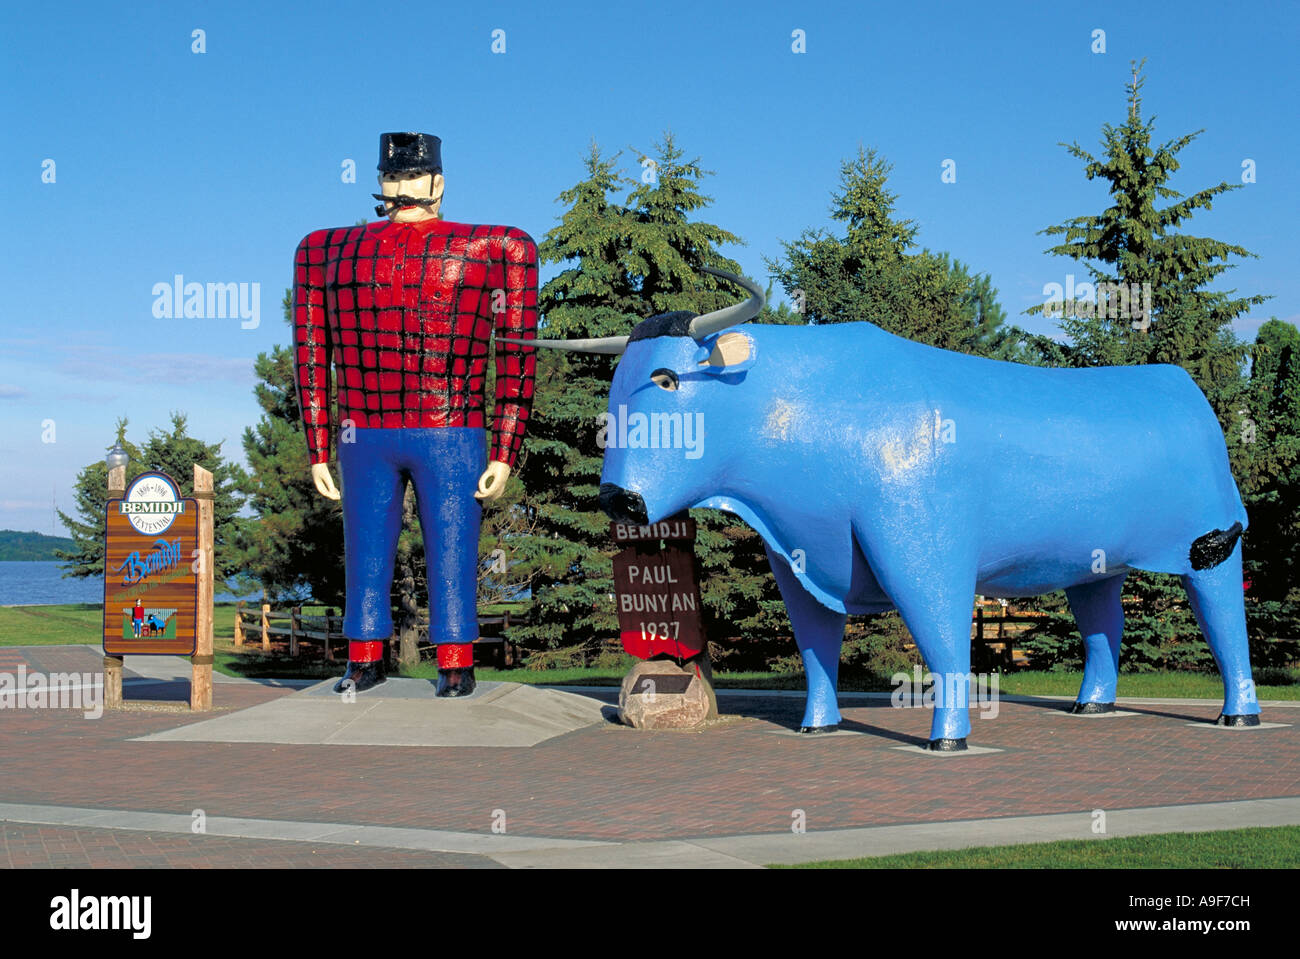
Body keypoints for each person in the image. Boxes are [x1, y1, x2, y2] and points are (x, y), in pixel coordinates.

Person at [293, 132, 537, 697]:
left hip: (447, 425)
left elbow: (520, 353)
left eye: (410, 178)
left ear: (437, 183)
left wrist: (505, 447)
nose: (401, 189)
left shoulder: (497, 248)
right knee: (366, 545)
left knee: (453, 543)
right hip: (372, 426)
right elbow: (309, 353)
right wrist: (318, 444)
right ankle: (364, 656)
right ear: (381, 184)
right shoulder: (322, 251)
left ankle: (454, 660)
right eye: (393, 178)